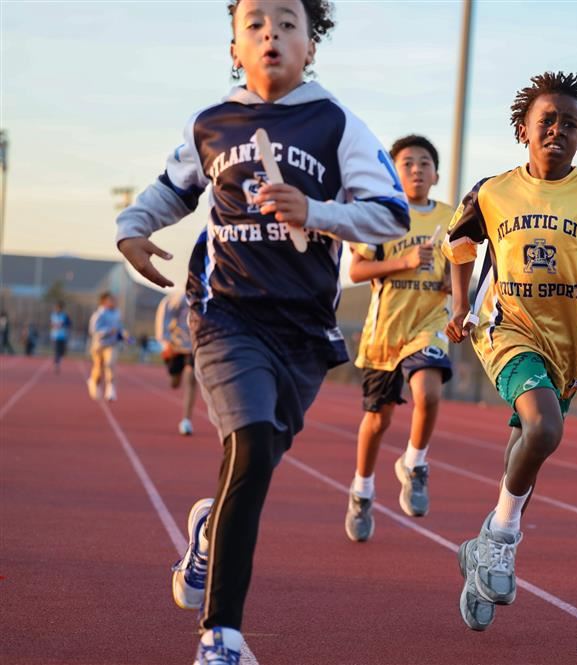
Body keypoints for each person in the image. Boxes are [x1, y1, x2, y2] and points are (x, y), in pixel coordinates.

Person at [114, 1, 409, 662]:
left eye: (286, 21)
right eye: (254, 22)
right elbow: (171, 188)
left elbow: (390, 215)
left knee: (260, 458)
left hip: (303, 328)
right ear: (233, 48)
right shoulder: (212, 123)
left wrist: (320, 211)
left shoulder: (336, 123)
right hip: (226, 313)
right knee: (247, 443)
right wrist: (131, 229)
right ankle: (220, 636)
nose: (270, 32)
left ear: (310, 46)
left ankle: (207, 531)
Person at [444, 71, 577, 631]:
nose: (558, 130)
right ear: (523, 130)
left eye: (570, 124)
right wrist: (458, 306)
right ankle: (502, 538)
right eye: (548, 121)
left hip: (566, 347)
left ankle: (486, 550)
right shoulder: (492, 192)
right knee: (543, 431)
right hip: (504, 328)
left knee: (527, 451)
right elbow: (459, 246)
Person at [344, 135, 453, 541]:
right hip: (385, 332)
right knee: (377, 421)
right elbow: (355, 272)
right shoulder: (380, 215)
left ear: (436, 174)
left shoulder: (450, 217)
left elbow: (459, 268)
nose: (416, 170)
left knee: (429, 392)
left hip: (429, 323)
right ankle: (362, 490)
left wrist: (449, 280)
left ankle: (415, 462)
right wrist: (403, 261)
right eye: (407, 163)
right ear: (393, 172)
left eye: (425, 163)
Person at [156, 292, 197, 436]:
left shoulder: (205, 296)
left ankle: (186, 420)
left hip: (194, 346)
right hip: (175, 346)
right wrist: (165, 343)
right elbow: (163, 321)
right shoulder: (174, 299)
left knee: (191, 379)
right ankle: (175, 374)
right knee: (175, 382)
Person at [87, 292, 125, 401]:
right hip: (98, 345)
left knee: (110, 364)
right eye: (110, 300)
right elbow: (93, 330)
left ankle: (110, 390)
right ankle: (93, 382)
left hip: (111, 344)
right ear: (104, 302)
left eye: (113, 300)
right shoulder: (98, 314)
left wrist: (123, 335)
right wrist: (108, 331)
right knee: (98, 368)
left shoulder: (117, 313)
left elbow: (119, 327)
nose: (113, 302)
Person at [50, 301, 72, 374]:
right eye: (56, 308)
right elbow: (52, 324)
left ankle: (57, 360)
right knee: (57, 351)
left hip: (63, 336)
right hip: (55, 336)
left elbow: (69, 324)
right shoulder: (53, 315)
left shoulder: (65, 316)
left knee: (62, 352)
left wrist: (64, 324)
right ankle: (57, 364)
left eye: (59, 308)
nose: (57, 309)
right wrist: (56, 325)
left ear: (61, 308)